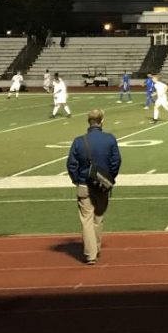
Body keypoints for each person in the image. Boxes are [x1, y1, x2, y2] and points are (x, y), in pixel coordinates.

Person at [66, 108, 121, 265]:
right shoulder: (110, 139)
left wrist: (77, 180)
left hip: (84, 184)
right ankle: (95, 248)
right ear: (102, 121)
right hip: (102, 186)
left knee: (87, 220)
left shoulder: (79, 141)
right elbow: (116, 162)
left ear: (88, 122)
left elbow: (71, 164)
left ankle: (91, 254)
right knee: (98, 218)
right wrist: (109, 178)